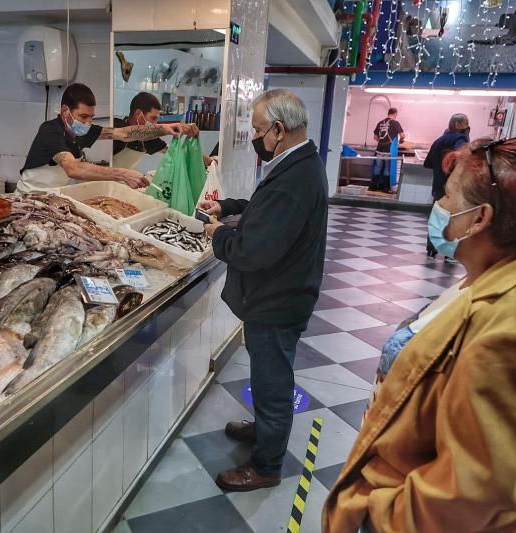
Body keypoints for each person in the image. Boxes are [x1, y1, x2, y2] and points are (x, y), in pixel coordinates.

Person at [323, 136, 516, 532]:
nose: (439, 205)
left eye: (449, 196)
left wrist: (377, 510)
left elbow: (467, 496)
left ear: (480, 218)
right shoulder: (488, 279)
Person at [200, 89, 328, 491]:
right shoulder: (299, 162)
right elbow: (267, 210)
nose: (255, 137)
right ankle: (264, 431)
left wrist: (219, 235)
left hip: (278, 300)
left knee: (273, 383)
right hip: (281, 294)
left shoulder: (296, 176)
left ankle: (266, 466)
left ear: (278, 129)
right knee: (267, 372)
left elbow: (255, 250)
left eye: (257, 129)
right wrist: (232, 206)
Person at [17, 83, 195, 193]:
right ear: (65, 111)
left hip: (53, 197)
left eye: (91, 117)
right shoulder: (50, 131)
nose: (88, 122)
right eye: (83, 116)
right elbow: (73, 168)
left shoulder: (83, 131)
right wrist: (122, 174)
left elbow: (124, 133)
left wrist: (164, 129)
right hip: (29, 198)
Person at [112, 92, 199, 170]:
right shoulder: (116, 126)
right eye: (153, 118)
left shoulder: (148, 138)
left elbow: (172, 151)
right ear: (138, 114)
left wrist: (204, 159)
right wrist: (166, 128)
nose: (154, 123)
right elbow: (128, 133)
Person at [424, 113, 470, 259]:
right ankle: (449, 254)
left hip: (437, 187)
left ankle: (431, 249)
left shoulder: (439, 140)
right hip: (453, 189)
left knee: (436, 219)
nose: (468, 127)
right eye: (466, 124)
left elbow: (428, 163)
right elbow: (462, 157)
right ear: (457, 125)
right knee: (453, 220)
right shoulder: (461, 139)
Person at [371, 108, 405, 192]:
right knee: (387, 168)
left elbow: (375, 137)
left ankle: (373, 186)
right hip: (389, 150)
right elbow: (402, 135)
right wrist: (400, 141)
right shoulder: (395, 123)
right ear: (395, 114)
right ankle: (385, 188)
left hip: (379, 150)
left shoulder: (380, 123)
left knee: (378, 167)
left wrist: (382, 142)